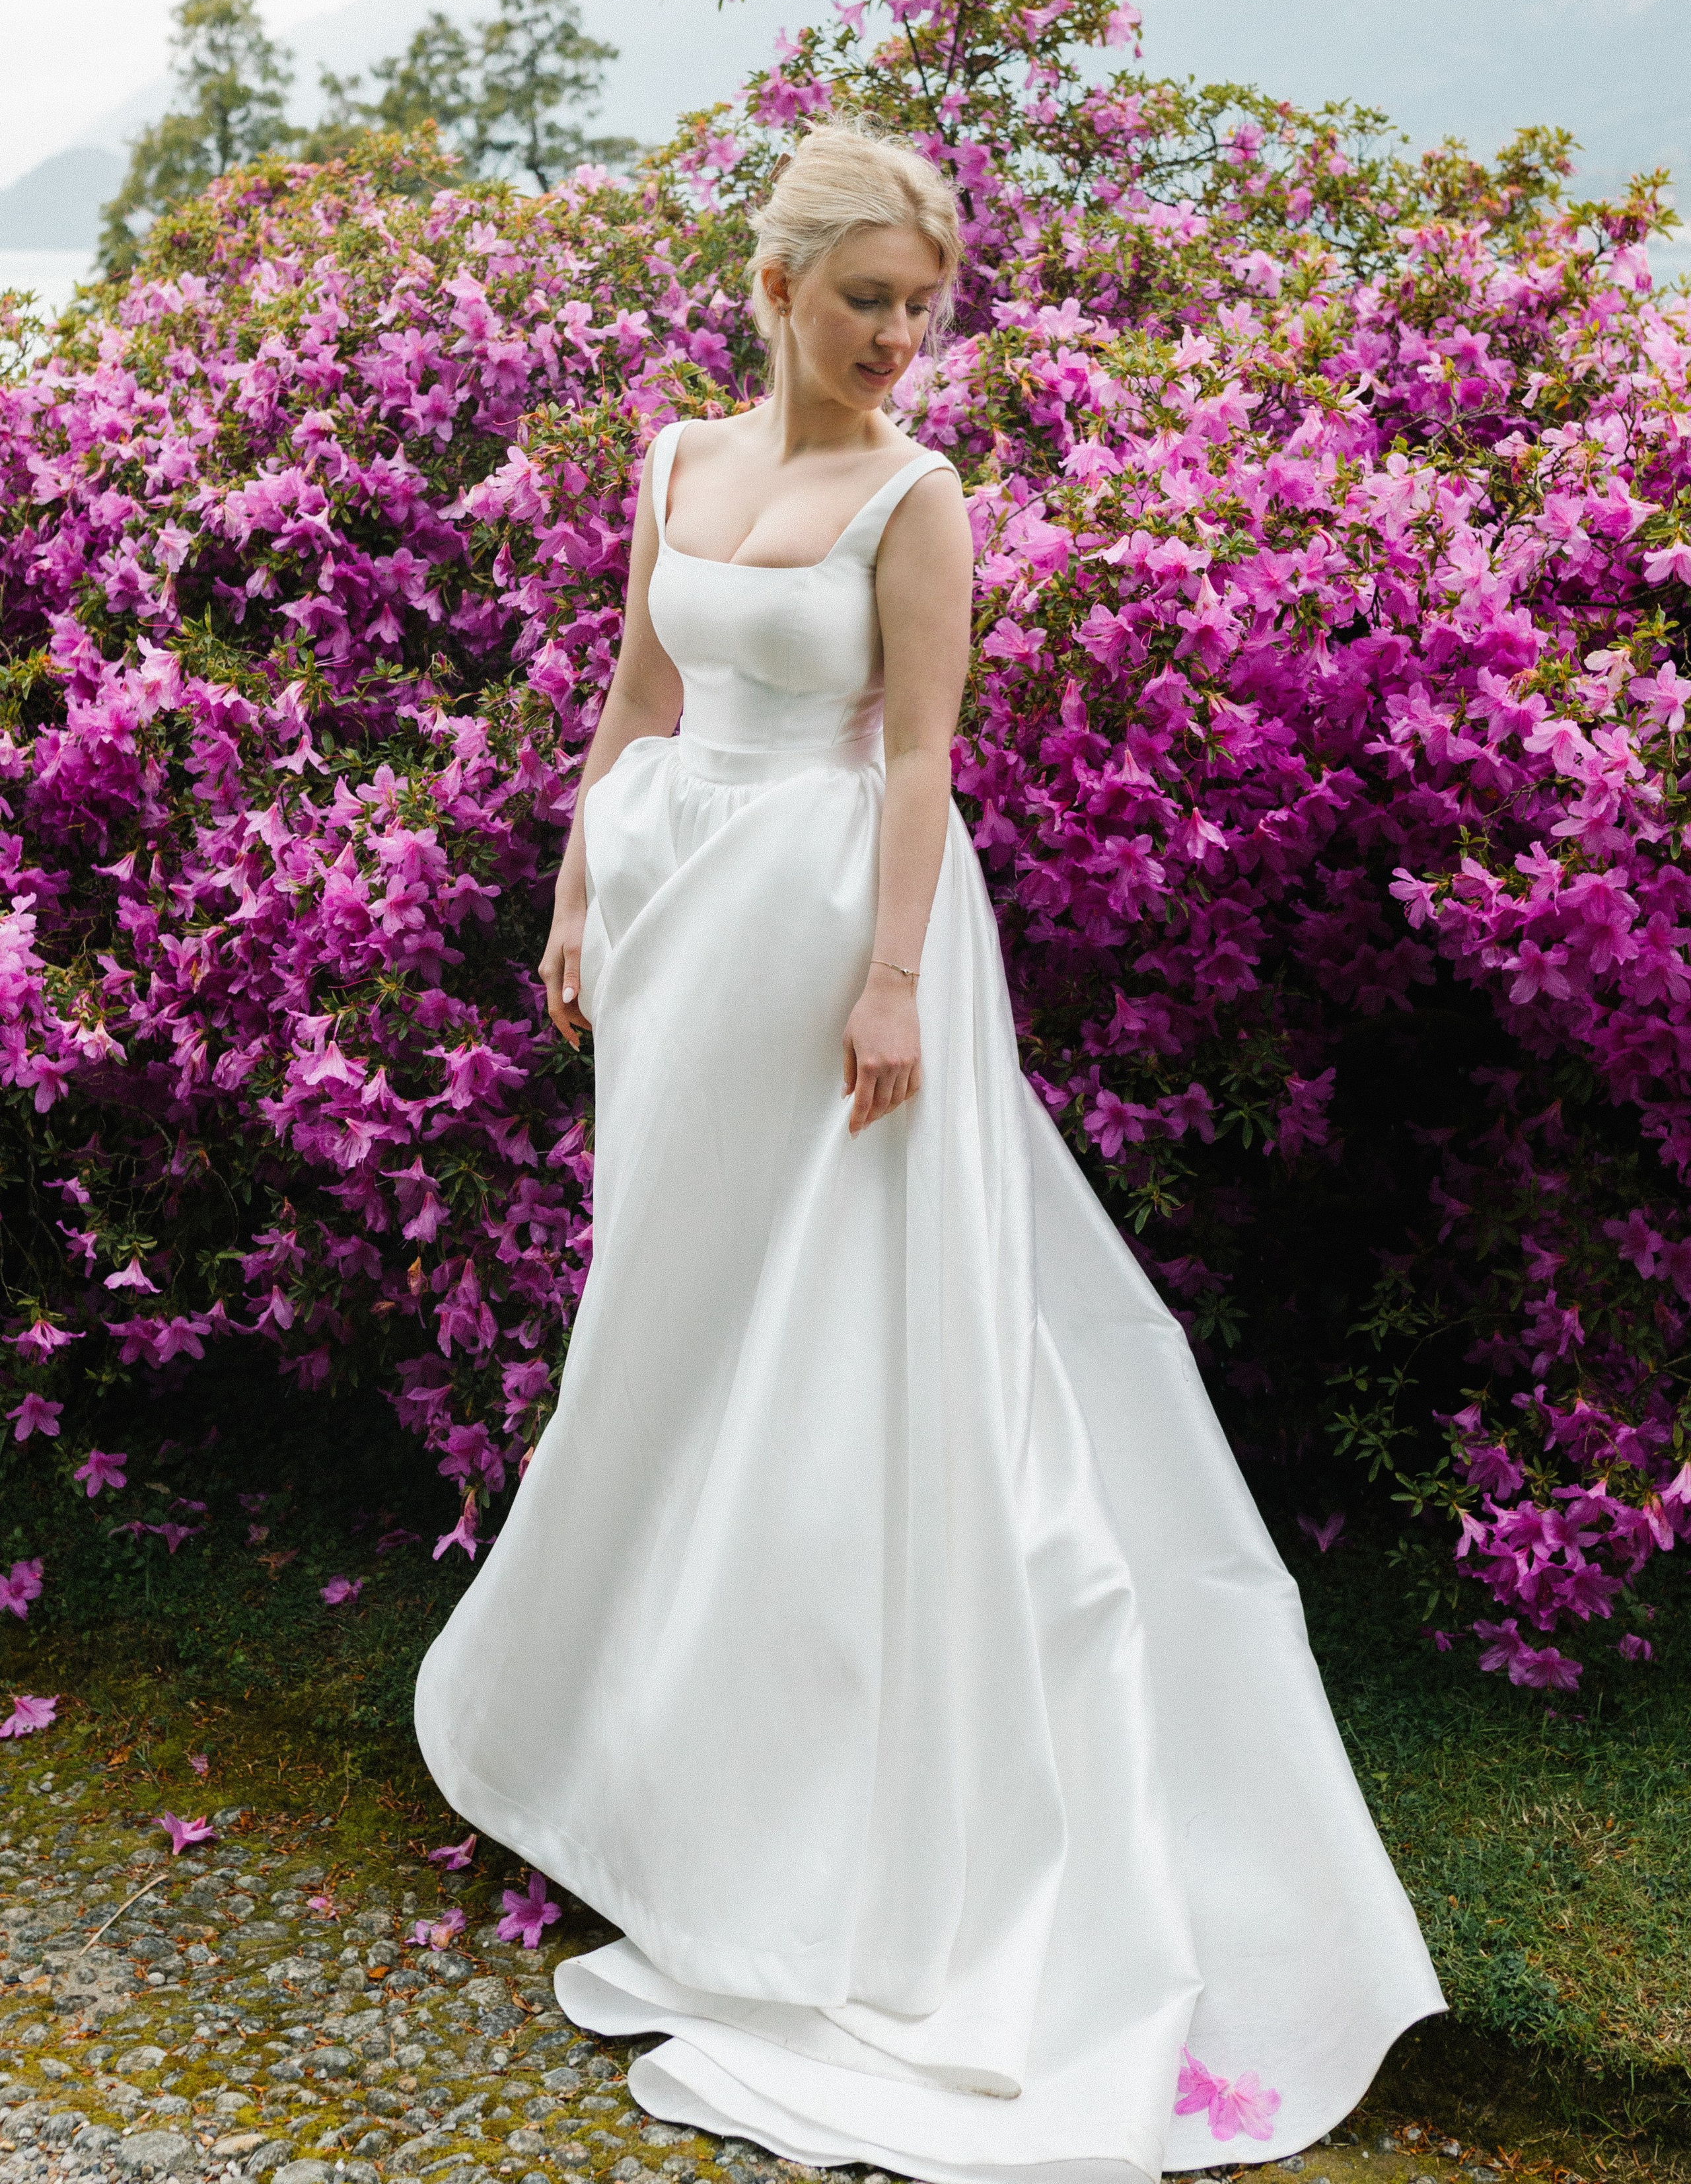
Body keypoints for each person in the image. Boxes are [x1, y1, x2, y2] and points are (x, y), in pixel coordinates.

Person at [414, 118, 1443, 2184]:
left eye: (923, 304)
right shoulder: (679, 460)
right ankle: (663, 1754)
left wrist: (892, 983)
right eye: (865, 297)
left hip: (833, 941)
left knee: (841, 1350)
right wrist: (570, 891)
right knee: (678, 1325)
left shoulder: (921, 492)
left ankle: (861, 1808)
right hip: (679, 925)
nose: (898, 337)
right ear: (777, 285)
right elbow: (635, 691)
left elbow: (919, 752)